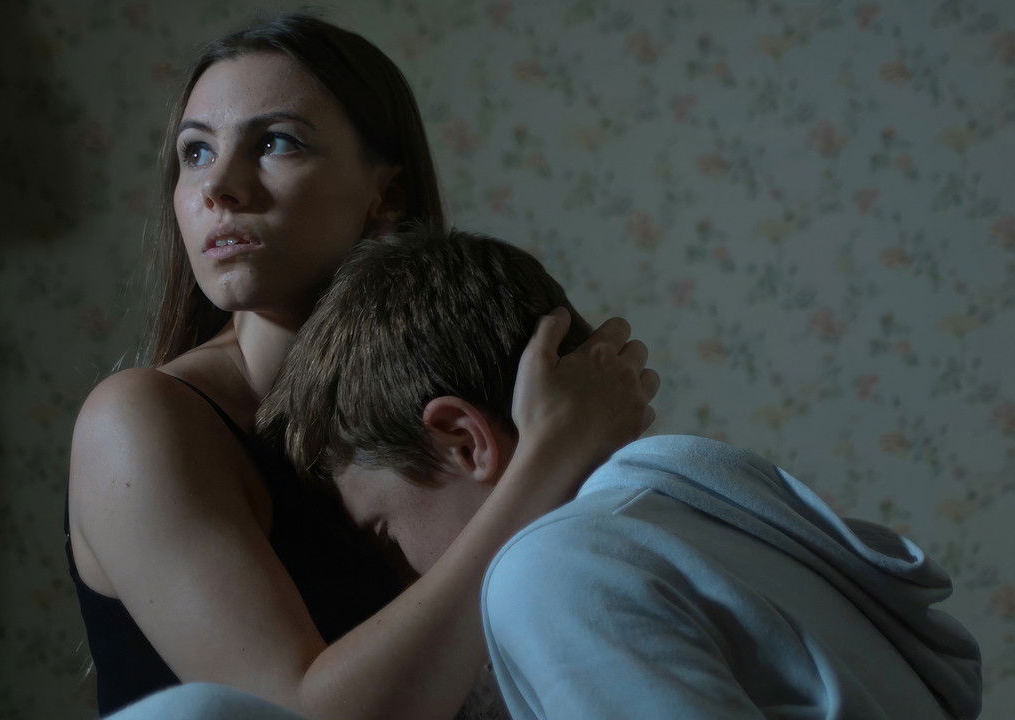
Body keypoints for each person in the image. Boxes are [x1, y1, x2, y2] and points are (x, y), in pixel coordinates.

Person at [65, 13, 658, 719]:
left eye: (276, 142)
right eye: (195, 152)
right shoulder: (139, 419)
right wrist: (551, 455)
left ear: (387, 197)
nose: (218, 185)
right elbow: (295, 714)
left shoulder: (447, 393)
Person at [257, 226, 984, 720]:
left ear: (464, 442)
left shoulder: (554, 570)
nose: (401, 577)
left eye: (385, 530)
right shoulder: (712, 512)